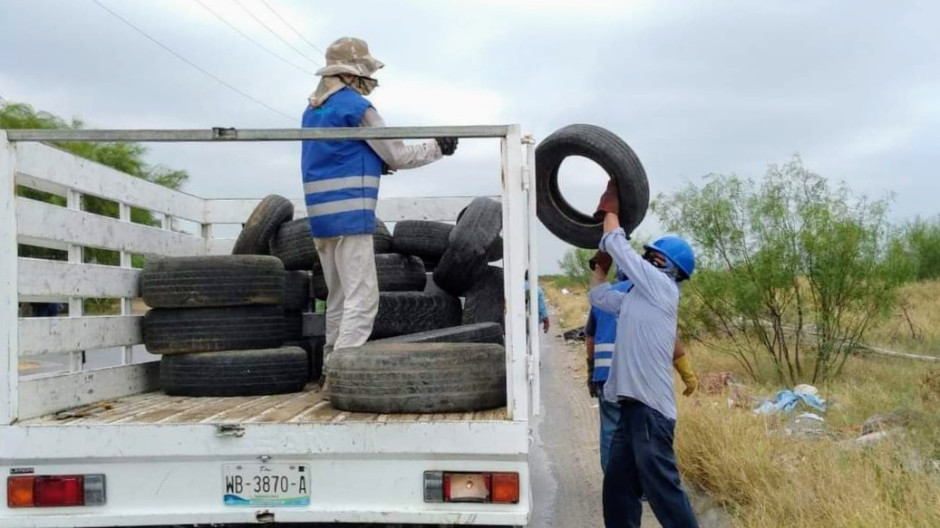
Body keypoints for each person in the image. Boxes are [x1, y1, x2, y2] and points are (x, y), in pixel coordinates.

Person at [301, 37, 458, 360]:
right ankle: (343, 368)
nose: (369, 81)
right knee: (363, 299)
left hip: (320, 218)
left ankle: (330, 363)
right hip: (351, 216)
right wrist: (436, 147)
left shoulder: (313, 110)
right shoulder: (356, 107)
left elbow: (337, 155)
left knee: (338, 299)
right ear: (352, 72)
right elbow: (396, 154)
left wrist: (374, 164)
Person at [589, 185, 699, 527]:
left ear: (665, 265)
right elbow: (599, 298)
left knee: (664, 492)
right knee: (618, 490)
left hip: (650, 413)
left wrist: (610, 208)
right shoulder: (637, 298)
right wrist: (599, 268)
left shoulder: (661, 288)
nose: (647, 257)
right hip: (631, 410)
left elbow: (617, 243)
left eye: (653, 255)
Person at [584, 258, 697, 473]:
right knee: (641, 434)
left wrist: (591, 370)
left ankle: (613, 480)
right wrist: (687, 375)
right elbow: (671, 343)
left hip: (604, 374)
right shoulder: (652, 294)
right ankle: (639, 480)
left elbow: (590, 338)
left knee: (610, 432)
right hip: (637, 378)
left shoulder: (606, 294)